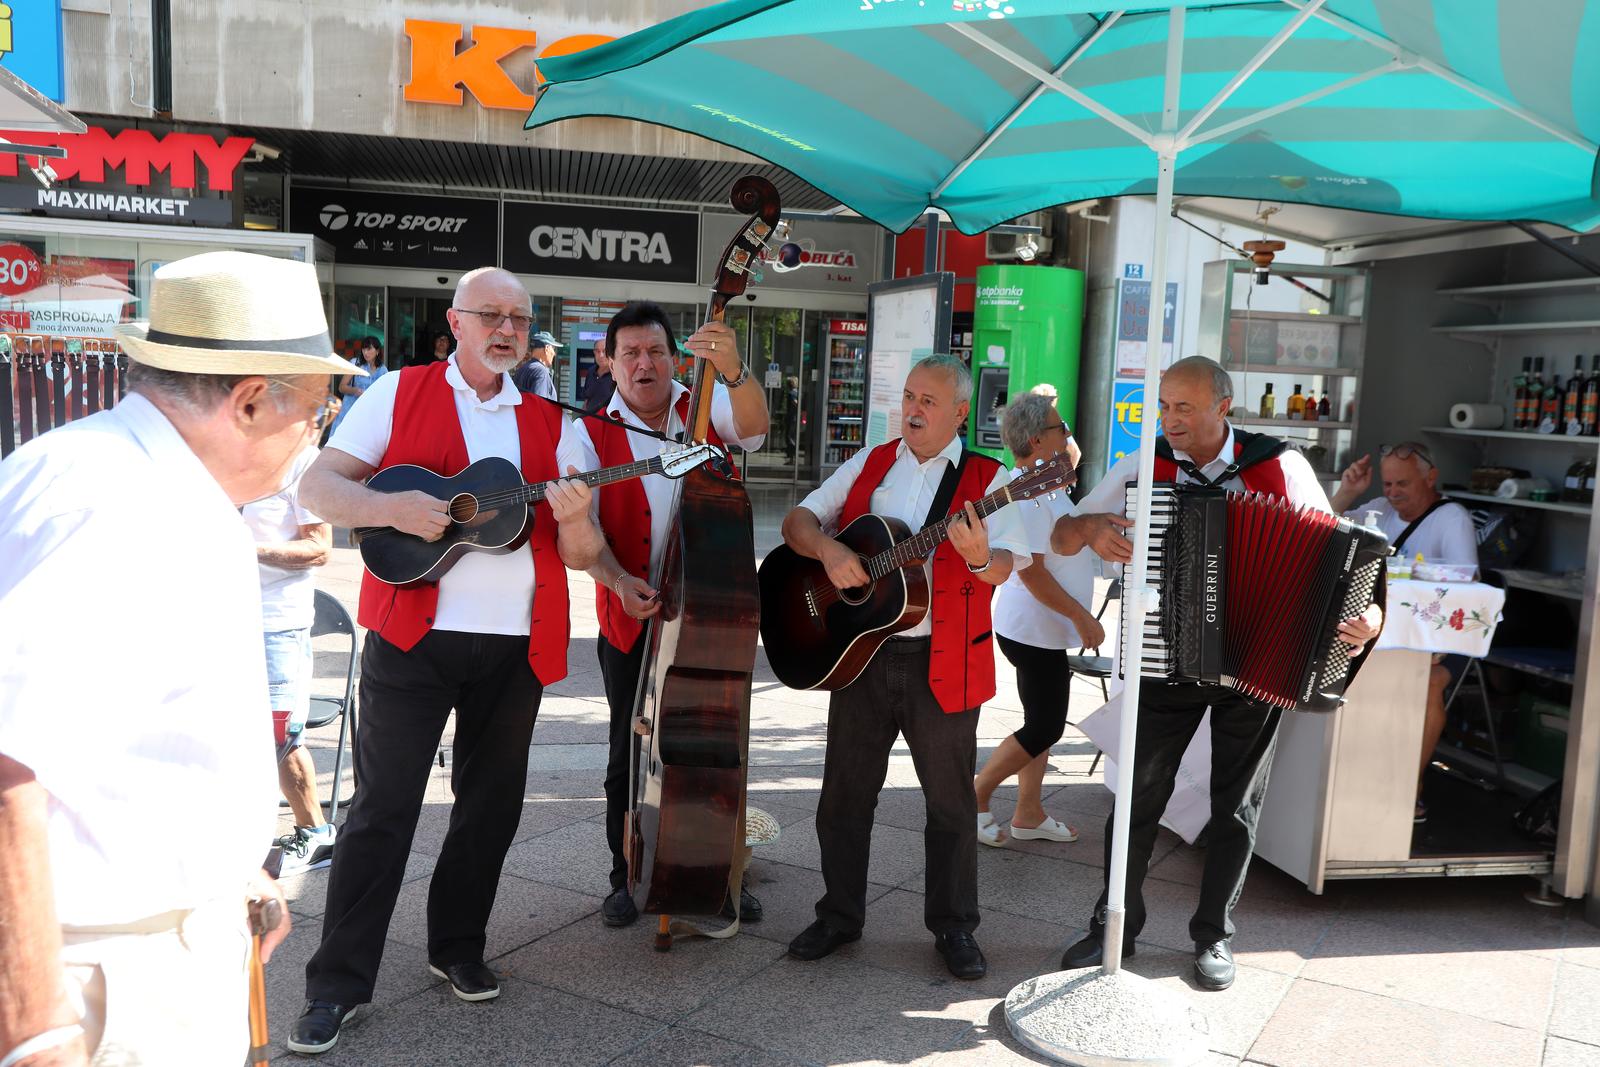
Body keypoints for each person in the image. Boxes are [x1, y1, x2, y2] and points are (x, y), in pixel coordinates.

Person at [0, 250, 354, 1065]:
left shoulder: (159, 486)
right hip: (101, 973)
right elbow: (10, 763)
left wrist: (235, 869)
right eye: (315, 412)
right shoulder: (114, 502)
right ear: (253, 402)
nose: (314, 435)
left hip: (158, 945)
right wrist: (34, 1029)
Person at [288, 267, 604, 1054]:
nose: (506, 329)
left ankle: (457, 945)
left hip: (516, 645)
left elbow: (581, 552)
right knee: (383, 809)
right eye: (489, 314)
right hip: (411, 635)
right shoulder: (399, 392)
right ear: (455, 322)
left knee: (490, 807)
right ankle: (336, 983)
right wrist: (390, 508)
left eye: (520, 318)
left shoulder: (557, 424)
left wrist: (579, 519)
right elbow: (317, 485)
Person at [1051, 356, 1381, 992]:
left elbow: (1337, 556)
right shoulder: (1144, 466)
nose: (1170, 421)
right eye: (1164, 407)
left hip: (1255, 667)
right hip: (1161, 659)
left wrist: (1367, 613)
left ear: (1222, 407)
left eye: (1185, 408)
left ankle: (1214, 936)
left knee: (1236, 807)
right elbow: (1061, 536)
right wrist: (1090, 528)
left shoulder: (1278, 465)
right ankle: (1112, 924)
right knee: (1138, 794)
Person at [778, 353, 1031, 981]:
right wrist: (832, 549)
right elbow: (797, 521)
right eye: (909, 396)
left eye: (928, 401)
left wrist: (976, 559)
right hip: (859, 655)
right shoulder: (870, 462)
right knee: (843, 797)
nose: (913, 410)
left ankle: (954, 927)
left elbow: (1008, 562)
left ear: (961, 412)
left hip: (943, 663)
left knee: (950, 805)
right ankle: (839, 915)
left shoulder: (994, 478)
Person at [569, 300, 769, 928]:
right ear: (610, 361)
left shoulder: (705, 405)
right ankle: (624, 873)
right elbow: (582, 536)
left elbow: (758, 429)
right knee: (627, 753)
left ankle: (721, 871)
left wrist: (734, 371)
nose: (644, 364)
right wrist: (618, 579)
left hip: (711, 614)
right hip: (628, 615)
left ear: (674, 355)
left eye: (655, 351)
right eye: (629, 353)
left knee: (720, 747)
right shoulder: (586, 428)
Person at [975, 388, 1102, 848]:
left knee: (1039, 720)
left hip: (1041, 630)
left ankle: (1029, 813)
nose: (1068, 435)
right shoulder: (1023, 495)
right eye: (1059, 427)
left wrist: (1051, 409)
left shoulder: (1045, 480)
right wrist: (1083, 618)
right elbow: (1034, 576)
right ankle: (976, 794)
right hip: (1033, 629)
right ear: (1035, 441)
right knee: (1046, 725)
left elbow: (1073, 452)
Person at [1331, 440, 1477, 823]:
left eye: (1403, 484)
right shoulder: (1379, 509)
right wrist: (1347, 491)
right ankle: (1357, 785)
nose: (1393, 493)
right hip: (1384, 632)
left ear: (1430, 478)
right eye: (1388, 484)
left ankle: (1410, 785)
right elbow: (1323, 522)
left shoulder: (1452, 518)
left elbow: (1467, 583)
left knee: (1426, 682)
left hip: (1443, 637)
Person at [243, 443, 337, 878]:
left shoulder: (298, 460)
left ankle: (315, 833)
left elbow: (319, 548)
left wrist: (248, 548)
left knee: (279, 735)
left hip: (276, 622)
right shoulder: (213, 454)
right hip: (217, 617)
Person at [324, 335, 386, 441]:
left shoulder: (383, 370)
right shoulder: (355, 363)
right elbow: (341, 387)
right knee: (340, 441)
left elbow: (384, 395)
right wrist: (355, 390)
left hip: (368, 414)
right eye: (363, 349)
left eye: (369, 349)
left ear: (377, 351)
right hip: (349, 410)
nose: (365, 352)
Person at [512, 329, 562, 401]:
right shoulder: (541, 372)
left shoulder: (522, 369)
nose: (554, 353)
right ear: (547, 348)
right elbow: (539, 404)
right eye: (553, 348)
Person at [581, 337, 615, 414]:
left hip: (608, 422)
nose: (601, 355)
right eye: (597, 351)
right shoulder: (591, 372)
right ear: (594, 352)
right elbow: (586, 400)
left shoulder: (617, 374)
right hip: (590, 420)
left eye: (604, 351)